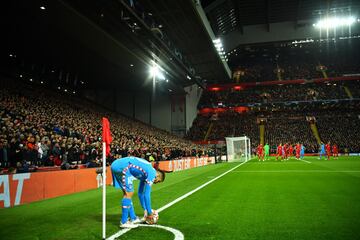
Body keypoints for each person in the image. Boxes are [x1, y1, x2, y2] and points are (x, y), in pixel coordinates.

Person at [111, 156, 165, 228]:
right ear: (158, 175)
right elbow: (146, 195)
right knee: (129, 193)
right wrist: (149, 212)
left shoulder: (146, 173)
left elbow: (140, 193)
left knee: (126, 193)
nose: (156, 182)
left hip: (118, 165)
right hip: (123, 167)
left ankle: (133, 218)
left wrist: (145, 209)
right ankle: (123, 222)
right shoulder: (152, 173)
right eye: (158, 181)